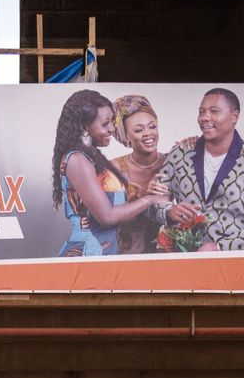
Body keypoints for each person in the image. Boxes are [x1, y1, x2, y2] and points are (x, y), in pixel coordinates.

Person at [149, 88, 244, 252]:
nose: (205, 118)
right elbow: (151, 202)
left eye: (214, 111)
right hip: (185, 263)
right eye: (201, 112)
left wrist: (221, 247)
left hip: (237, 266)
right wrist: (169, 212)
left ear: (235, 116)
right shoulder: (180, 153)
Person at [51, 89, 167, 256]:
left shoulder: (90, 157)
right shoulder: (77, 160)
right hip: (89, 254)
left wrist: (142, 195)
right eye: (105, 124)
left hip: (107, 252)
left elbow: (118, 211)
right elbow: (107, 217)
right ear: (85, 126)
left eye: (112, 122)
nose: (112, 128)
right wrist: (149, 200)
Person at [111, 94, 167, 255]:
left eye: (152, 126)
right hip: (129, 254)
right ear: (125, 136)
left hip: (171, 251)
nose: (148, 133)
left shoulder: (174, 161)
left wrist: (196, 145)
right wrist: (141, 196)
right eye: (138, 130)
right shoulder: (114, 168)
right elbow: (108, 217)